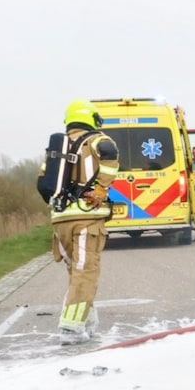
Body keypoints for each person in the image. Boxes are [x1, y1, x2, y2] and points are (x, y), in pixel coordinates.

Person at [43, 99, 119, 345]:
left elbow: (43, 181)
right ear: (92, 118)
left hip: (60, 220)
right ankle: (71, 328)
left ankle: (87, 321)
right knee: (86, 272)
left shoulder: (57, 149)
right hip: (87, 218)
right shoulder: (99, 140)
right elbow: (110, 159)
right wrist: (100, 191)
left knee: (76, 272)